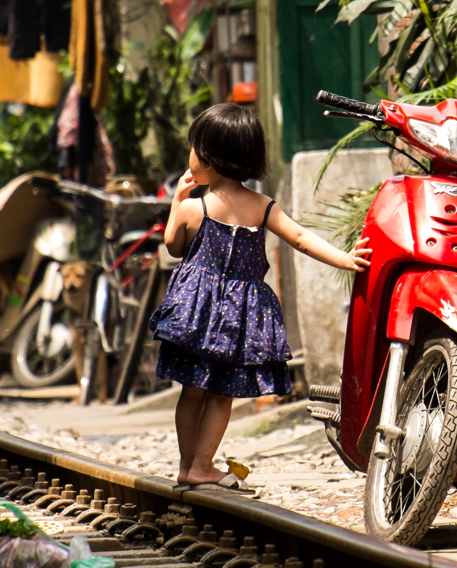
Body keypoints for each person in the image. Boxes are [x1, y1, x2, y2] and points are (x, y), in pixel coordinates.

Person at [149, 102, 371, 491]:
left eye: (194, 147)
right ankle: (202, 464)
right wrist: (346, 259)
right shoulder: (261, 206)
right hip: (240, 315)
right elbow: (301, 238)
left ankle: (188, 466)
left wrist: (174, 204)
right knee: (222, 394)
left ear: (209, 158)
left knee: (192, 389)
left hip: (197, 310)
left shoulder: (191, 208)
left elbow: (173, 246)